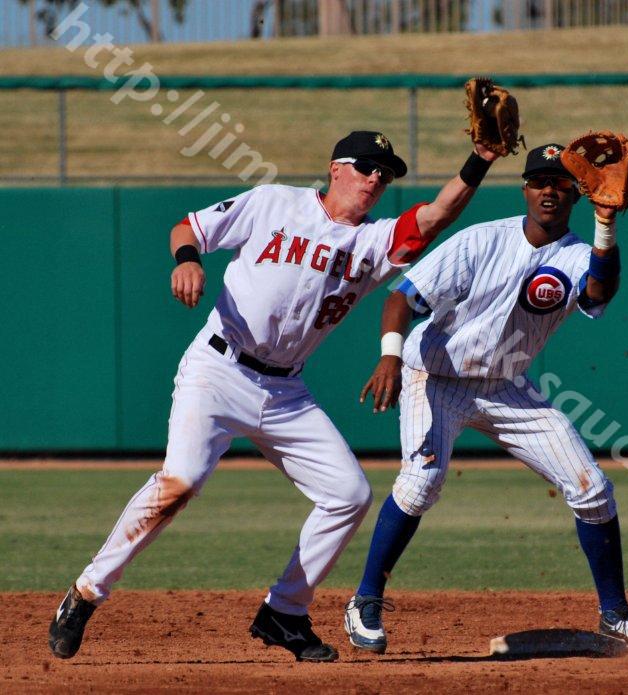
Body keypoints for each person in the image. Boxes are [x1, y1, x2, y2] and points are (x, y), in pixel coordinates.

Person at [48, 129, 504, 662]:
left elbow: (437, 215)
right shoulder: (274, 203)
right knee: (182, 480)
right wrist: (188, 259)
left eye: (386, 173)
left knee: (349, 494)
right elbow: (187, 227)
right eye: (366, 166)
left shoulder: (375, 242)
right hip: (218, 369)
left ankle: (283, 612)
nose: (376, 178)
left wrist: (482, 158)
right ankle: (85, 594)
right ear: (336, 168)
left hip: (285, 388)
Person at [344, 143, 628, 655]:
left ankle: (615, 614)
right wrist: (390, 356)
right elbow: (402, 296)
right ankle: (365, 599)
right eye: (537, 180)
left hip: (506, 386)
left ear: (575, 193)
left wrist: (606, 225)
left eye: (558, 182)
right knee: (421, 482)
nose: (547, 190)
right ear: (525, 188)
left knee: (591, 488)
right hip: (432, 375)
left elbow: (598, 292)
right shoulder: (483, 239)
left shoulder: (578, 254)